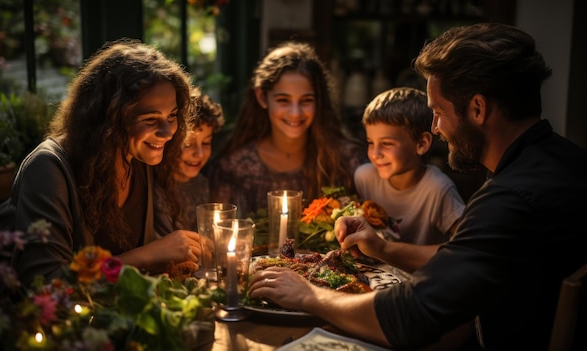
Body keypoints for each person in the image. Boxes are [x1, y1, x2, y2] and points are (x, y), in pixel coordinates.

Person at [248, 23, 587, 350]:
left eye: (439, 112)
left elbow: (407, 318)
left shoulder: (510, 201)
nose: (436, 128)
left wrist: (309, 295)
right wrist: (382, 249)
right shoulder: (566, 162)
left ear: (478, 109)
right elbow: (467, 261)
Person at [0, 39, 203, 285]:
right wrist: (148, 255)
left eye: (172, 116)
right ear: (109, 118)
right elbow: (48, 286)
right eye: (150, 119)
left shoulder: (137, 158)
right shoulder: (48, 168)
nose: (168, 132)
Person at [207, 41, 366, 216]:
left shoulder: (344, 161)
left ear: (319, 100)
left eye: (306, 100)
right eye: (283, 100)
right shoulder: (234, 168)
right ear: (262, 97)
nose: (295, 113)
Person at [354, 87, 465, 245]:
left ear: (421, 143)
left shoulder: (438, 189)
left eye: (386, 144)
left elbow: (467, 247)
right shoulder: (364, 178)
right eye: (371, 143)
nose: (375, 153)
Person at [154, 87, 225, 233]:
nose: (199, 154)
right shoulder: (154, 189)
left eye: (206, 142)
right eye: (187, 144)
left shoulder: (203, 184)